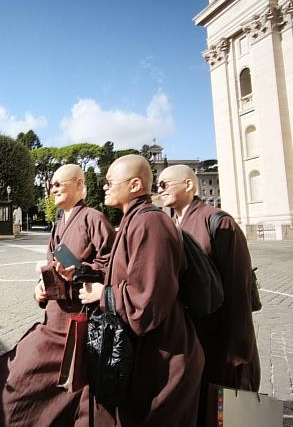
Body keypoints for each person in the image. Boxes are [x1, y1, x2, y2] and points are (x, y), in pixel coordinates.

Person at [0, 164, 115, 426]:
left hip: (75, 323)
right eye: (50, 185)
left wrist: (81, 271)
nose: (51, 189)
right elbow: (52, 268)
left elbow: (110, 265)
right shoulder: (58, 225)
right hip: (52, 318)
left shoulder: (93, 218)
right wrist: (39, 289)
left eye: (57, 184)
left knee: (28, 376)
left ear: (78, 184)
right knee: (15, 367)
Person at [79, 155, 203, 426]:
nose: (104, 187)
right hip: (145, 354)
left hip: (163, 358)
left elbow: (147, 297)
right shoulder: (133, 220)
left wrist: (104, 295)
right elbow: (126, 273)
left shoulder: (150, 223)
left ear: (135, 185)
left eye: (110, 181)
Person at [157, 164, 260, 426]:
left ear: (189, 185)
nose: (159, 190)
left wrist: (240, 346)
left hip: (218, 337)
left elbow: (239, 286)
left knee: (227, 412)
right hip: (190, 337)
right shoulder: (171, 223)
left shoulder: (219, 222)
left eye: (165, 184)